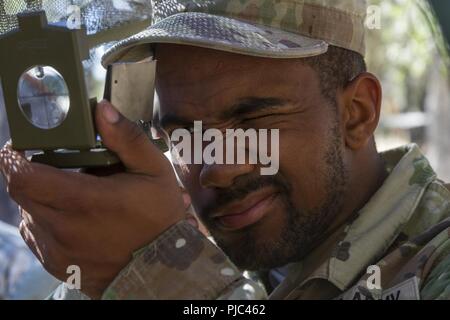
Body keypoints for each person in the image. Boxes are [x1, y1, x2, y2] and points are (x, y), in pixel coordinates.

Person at [0, 0, 449, 300]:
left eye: (253, 122)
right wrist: (100, 273)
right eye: (183, 134)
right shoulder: (229, 252)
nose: (217, 167)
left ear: (357, 114)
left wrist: (157, 272)